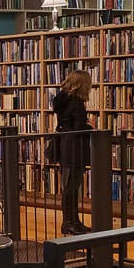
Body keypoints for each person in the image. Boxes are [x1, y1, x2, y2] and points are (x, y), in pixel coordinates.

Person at [52, 69, 92, 235]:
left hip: (65, 146)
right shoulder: (76, 103)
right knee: (71, 188)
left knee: (70, 187)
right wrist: (91, 128)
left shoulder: (63, 101)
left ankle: (72, 221)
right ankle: (70, 223)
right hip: (74, 149)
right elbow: (79, 128)